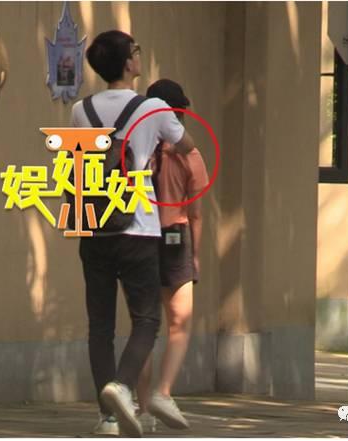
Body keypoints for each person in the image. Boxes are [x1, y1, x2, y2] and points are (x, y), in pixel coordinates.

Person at [70, 31, 195, 437]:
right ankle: (122, 386)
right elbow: (186, 144)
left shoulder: (80, 110)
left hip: (94, 227)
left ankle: (107, 418)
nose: (139, 56)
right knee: (146, 320)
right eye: (137, 51)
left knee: (100, 326)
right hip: (138, 228)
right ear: (128, 62)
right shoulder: (153, 108)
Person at [135, 79, 209, 432]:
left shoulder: (137, 150)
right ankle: (163, 392)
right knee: (179, 323)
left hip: (140, 238)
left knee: (144, 326)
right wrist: (196, 256)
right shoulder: (190, 155)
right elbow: (196, 213)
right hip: (176, 238)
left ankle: (142, 409)